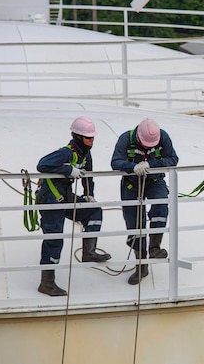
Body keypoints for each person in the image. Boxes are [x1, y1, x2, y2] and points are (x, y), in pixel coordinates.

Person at [36, 116, 111, 296]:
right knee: (54, 239)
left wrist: (89, 194)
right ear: (78, 137)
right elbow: (42, 164)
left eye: (93, 138)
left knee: (93, 211)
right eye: (88, 138)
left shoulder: (85, 154)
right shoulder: (66, 153)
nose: (91, 141)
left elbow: (88, 175)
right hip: (51, 199)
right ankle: (47, 283)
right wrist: (67, 170)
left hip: (65, 196)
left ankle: (89, 252)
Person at [111, 118, 179, 285]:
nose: (149, 147)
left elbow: (173, 159)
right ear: (139, 136)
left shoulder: (163, 137)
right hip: (131, 184)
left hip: (154, 181)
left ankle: (155, 247)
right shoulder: (126, 139)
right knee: (135, 222)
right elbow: (115, 162)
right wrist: (132, 167)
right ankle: (141, 265)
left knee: (161, 205)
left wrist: (151, 164)